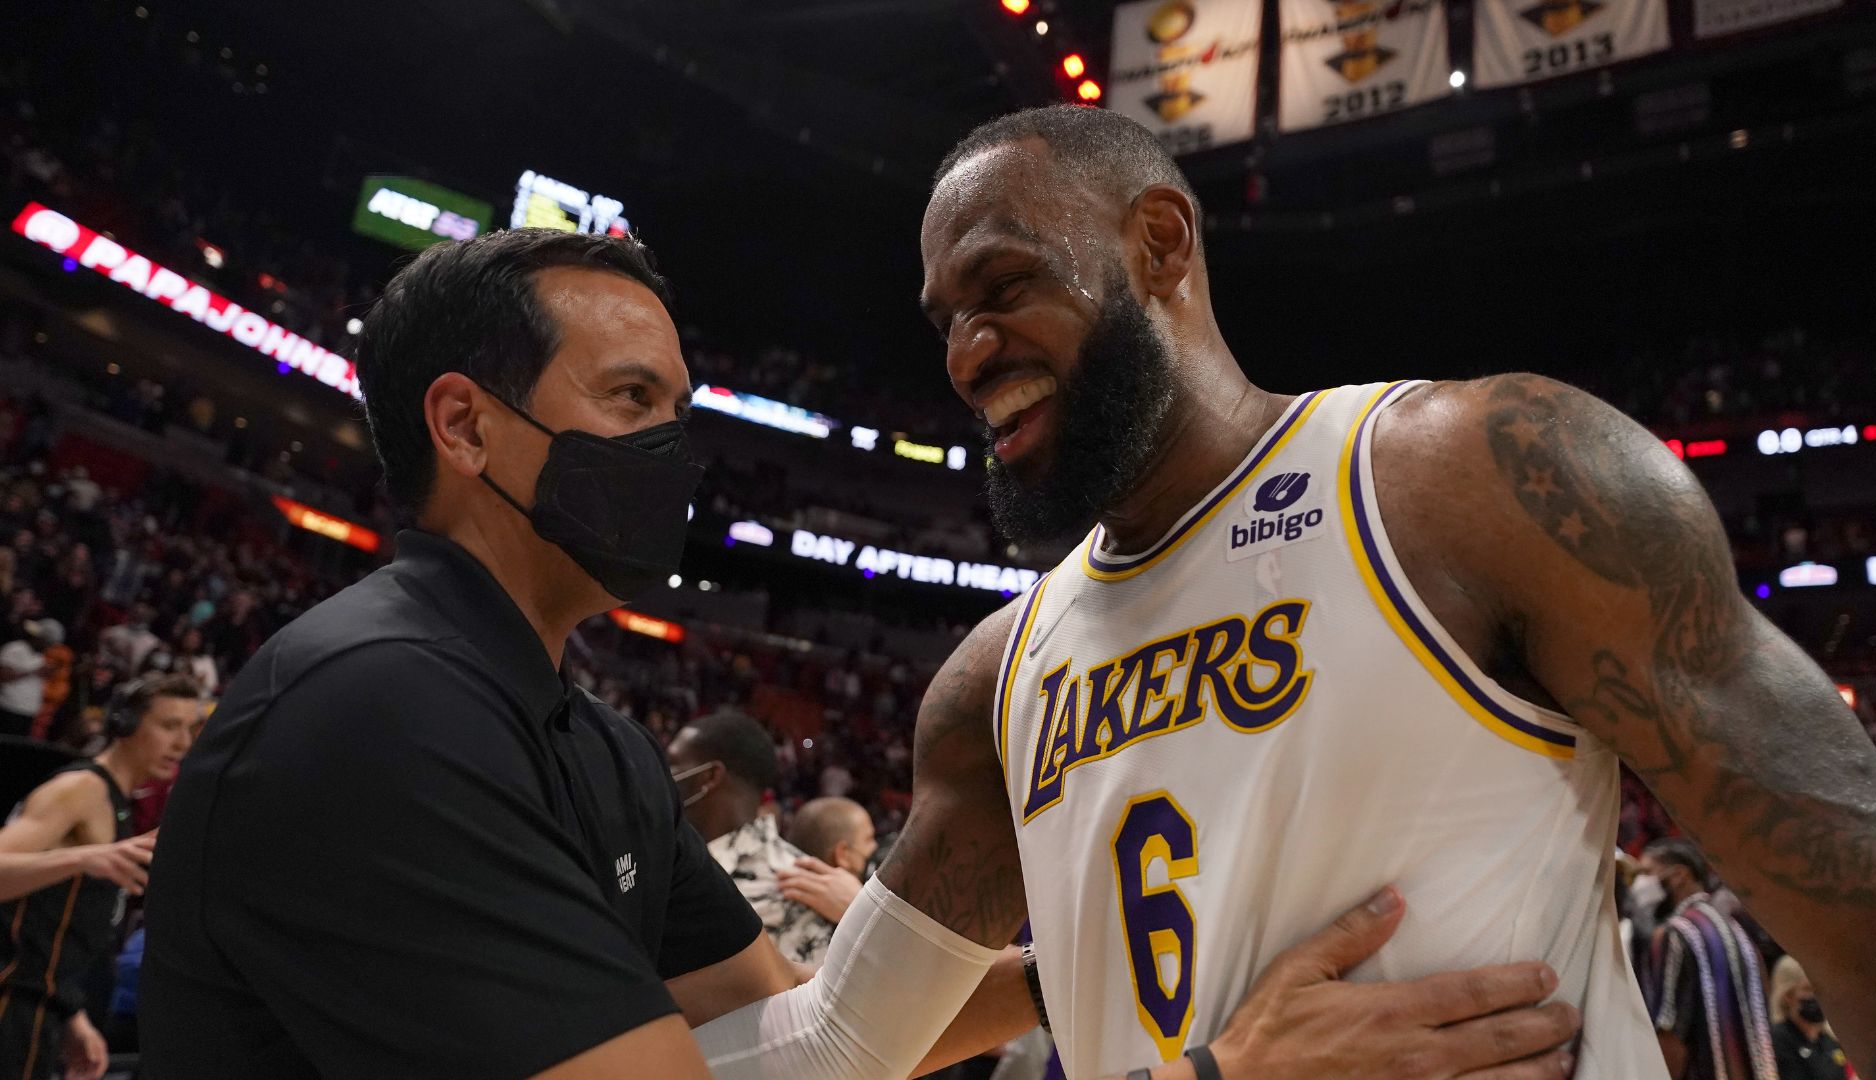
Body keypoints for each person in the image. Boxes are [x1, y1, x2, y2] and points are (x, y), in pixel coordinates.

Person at [141, 228, 1583, 1080]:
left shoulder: (590, 741)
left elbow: (820, 1043)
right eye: (630, 397)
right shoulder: (379, 710)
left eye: (679, 405)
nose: (673, 448)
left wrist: (1133, 963)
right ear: (464, 426)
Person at [866, 104, 1876, 1079]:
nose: (964, 354)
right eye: (942, 320)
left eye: (1003, 288)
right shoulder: (991, 682)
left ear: (1160, 244)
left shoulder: (1468, 480)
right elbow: (840, 1045)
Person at [0, 671, 199, 1080]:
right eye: (169, 726)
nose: (182, 744)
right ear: (124, 723)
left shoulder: (116, 802)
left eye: (189, 729)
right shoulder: (80, 789)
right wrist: (84, 858)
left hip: (37, 1007)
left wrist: (70, 1013)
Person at [666, 712, 835, 965]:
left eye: (672, 763)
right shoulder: (664, 856)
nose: (660, 774)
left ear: (709, 777)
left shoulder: (797, 885)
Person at [1639, 839, 1774, 1079]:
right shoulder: (1737, 930)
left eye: (1647, 872)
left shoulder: (1675, 933)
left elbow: (1669, 1033)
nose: (1639, 883)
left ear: (1679, 875)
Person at [779, 796, 876, 925]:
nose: (875, 846)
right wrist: (861, 910)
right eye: (869, 839)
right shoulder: (819, 931)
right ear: (843, 855)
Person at [1770, 956, 1848, 1080]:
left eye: (1821, 988)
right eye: (1809, 989)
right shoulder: (1777, 1040)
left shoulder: (1829, 1040)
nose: (1818, 996)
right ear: (1788, 996)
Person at [0, 618, 58, 738]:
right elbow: (3, 675)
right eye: (47, 642)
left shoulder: (41, 657)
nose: (48, 647)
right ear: (38, 637)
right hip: (8, 708)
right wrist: (34, 671)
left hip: (29, 712)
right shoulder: (15, 648)